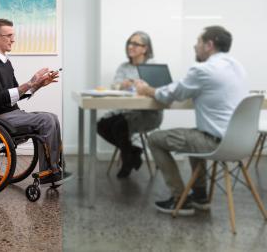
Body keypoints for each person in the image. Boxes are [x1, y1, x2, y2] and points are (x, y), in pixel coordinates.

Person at [135, 26, 248, 216]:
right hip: (242, 143)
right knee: (196, 133)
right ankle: (200, 196)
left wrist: (147, 90)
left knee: (155, 139)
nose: (195, 47)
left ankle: (180, 198)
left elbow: (172, 94)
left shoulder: (204, 69)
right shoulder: (237, 67)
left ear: (209, 45)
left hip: (216, 142)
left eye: (198, 42)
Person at [0, 18, 69, 185]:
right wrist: (30, 83)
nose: (13, 39)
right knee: (46, 120)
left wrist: (38, 85)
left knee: (52, 117)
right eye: (9, 35)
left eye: (13, 35)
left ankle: (54, 167)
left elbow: (15, 93)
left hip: (11, 113)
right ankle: (50, 171)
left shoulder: (5, 63)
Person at [97, 31, 163, 178]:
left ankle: (127, 160)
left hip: (148, 114)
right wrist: (123, 85)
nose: (130, 46)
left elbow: (159, 91)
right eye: (129, 43)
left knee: (119, 126)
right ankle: (133, 153)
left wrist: (140, 87)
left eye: (135, 44)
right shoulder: (124, 67)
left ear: (145, 48)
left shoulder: (153, 67)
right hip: (126, 111)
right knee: (101, 125)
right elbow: (114, 86)